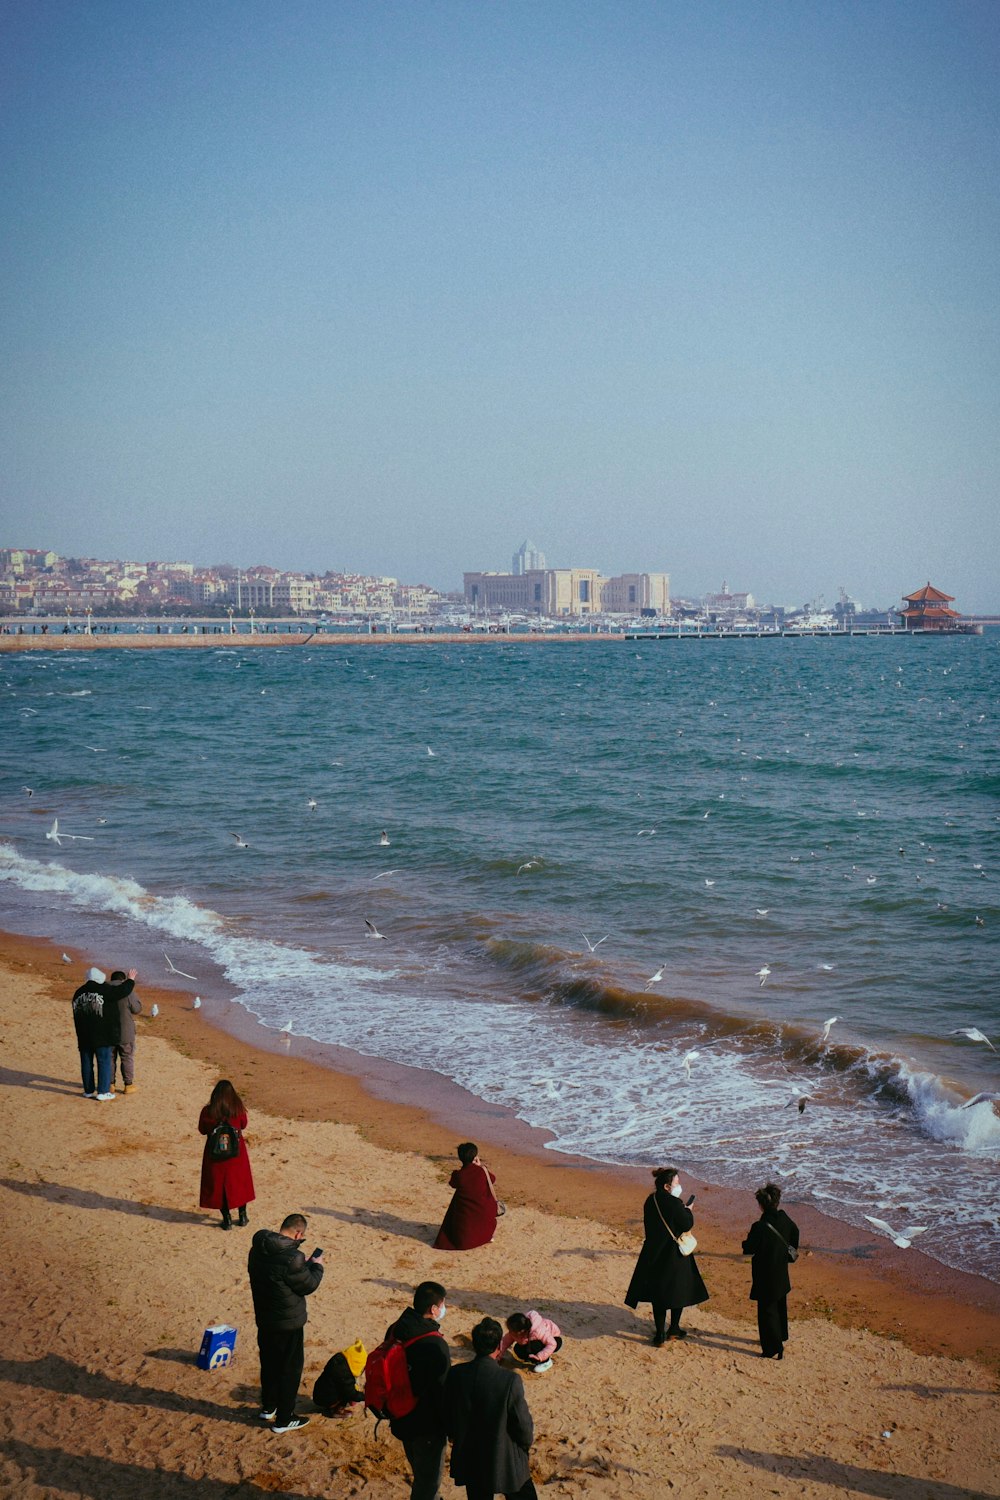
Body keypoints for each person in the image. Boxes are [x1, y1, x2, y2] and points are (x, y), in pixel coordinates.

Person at [247, 1212, 324, 1433]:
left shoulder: (257, 1248)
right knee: (289, 1369)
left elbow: (282, 1276)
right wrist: (317, 1266)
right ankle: (284, 1418)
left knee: (269, 1364)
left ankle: (268, 1406)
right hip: (288, 1323)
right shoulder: (293, 1257)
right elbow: (307, 1285)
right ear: (298, 1233)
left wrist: (302, 1266)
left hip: (265, 1318)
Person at [446, 1317, 537, 1500]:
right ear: (498, 1347)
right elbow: (523, 1426)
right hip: (506, 1456)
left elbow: (449, 1414)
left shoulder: (457, 1374)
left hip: (471, 1456)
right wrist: (524, 1446)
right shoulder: (509, 1380)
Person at [624, 1166, 709, 1345]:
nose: (679, 1185)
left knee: (659, 1294)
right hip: (673, 1254)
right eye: (676, 1183)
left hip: (653, 1253)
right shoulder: (674, 1204)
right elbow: (686, 1224)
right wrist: (688, 1210)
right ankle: (674, 1329)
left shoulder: (650, 1200)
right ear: (667, 1187)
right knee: (677, 1292)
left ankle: (660, 1334)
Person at [385, 1281, 451, 1500]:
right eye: (442, 1304)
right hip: (427, 1424)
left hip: (400, 1414)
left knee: (420, 1470)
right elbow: (442, 1391)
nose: (444, 1308)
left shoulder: (395, 1329)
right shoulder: (434, 1345)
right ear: (434, 1309)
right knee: (428, 1482)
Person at [742, 1182, 800, 1359]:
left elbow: (749, 1248)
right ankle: (782, 1335)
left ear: (761, 1205)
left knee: (767, 1312)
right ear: (777, 1201)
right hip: (781, 1272)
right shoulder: (785, 1218)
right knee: (780, 1305)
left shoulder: (759, 1227)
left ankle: (773, 1348)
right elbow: (795, 1234)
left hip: (764, 1274)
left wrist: (744, 1244)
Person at [71, 966, 137, 1100]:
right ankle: (102, 1091)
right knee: (104, 1061)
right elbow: (122, 991)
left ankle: (88, 1090)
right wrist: (130, 980)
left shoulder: (78, 993)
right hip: (102, 1035)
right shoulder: (103, 989)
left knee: (86, 1062)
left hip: (83, 1034)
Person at [198, 1079, 255, 1230]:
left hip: (215, 1155)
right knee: (240, 1185)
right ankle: (242, 1216)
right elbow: (243, 1125)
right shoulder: (237, 1110)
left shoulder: (208, 1111)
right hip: (236, 1154)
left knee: (219, 1187)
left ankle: (227, 1220)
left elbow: (202, 1130)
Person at [433, 1142, 499, 1251]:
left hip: (465, 1215)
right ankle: (487, 1237)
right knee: (485, 1213)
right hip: (483, 1211)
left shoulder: (459, 1175)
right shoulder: (481, 1171)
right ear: (475, 1157)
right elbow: (492, 1180)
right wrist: (479, 1166)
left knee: (458, 1203)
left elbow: (452, 1184)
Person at [108, 968, 142, 1093]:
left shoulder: (104, 990)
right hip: (125, 1032)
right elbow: (137, 1009)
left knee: (110, 1058)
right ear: (123, 980)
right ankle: (128, 1085)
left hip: (108, 1032)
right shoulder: (126, 991)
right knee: (127, 1057)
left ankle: (110, 1085)